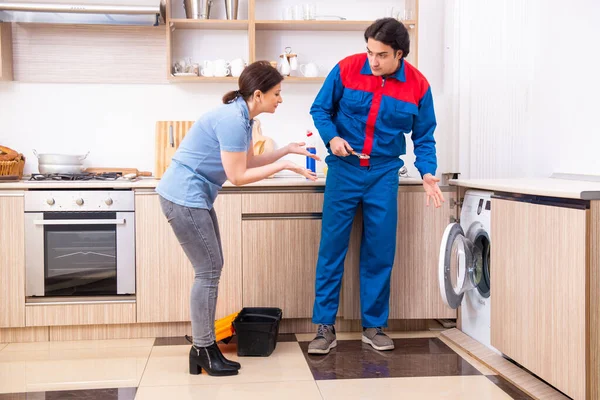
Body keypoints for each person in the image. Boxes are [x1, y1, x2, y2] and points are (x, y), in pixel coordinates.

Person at [156, 61, 320, 375]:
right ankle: (204, 348)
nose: (280, 99)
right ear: (258, 94)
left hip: (193, 196)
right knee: (208, 270)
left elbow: (249, 159)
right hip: (183, 195)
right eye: (277, 93)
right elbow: (238, 175)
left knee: (210, 268)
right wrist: (284, 166)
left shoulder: (242, 117)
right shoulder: (232, 119)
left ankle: (201, 349)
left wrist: (285, 150)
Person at [307, 18, 445, 355]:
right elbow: (320, 109)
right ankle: (325, 327)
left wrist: (427, 172)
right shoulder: (346, 69)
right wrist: (333, 137)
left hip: (384, 172)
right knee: (332, 249)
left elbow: (424, 137)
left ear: (400, 54)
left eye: (381, 55)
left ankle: (374, 326)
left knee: (379, 251)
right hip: (344, 168)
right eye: (369, 51)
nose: (373, 60)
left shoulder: (418, 86)